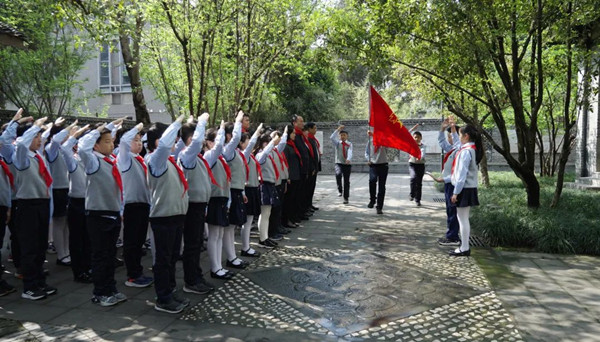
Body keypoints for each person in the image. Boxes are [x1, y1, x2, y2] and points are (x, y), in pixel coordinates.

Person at [78, 119, 127, 306]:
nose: (111, 144)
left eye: (111, 140)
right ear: (96, 145)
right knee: (100, 255)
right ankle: (100, 292)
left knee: (110, 255)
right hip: (98, 215)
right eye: (106, 141)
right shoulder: (92, 161)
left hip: (113, 213)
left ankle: (111, 288)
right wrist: (96, 130)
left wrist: (112, 128)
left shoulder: (111, 160)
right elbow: (82, 148)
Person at [145, 115, 191, 313]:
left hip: (176, 216)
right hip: (163, 217)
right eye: (169, 137)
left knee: (172, 257)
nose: (174, 141)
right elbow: (164, 145)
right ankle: (162, 297)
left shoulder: (171, 160)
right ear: (158, 141)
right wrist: (176, 124)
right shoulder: (156, 160)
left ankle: (170, 291)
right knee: (163, 260)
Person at [14, 116, 58, 301]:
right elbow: (23, 143)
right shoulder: (21, 157)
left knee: (41, 247)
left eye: (40, 136)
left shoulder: (38, 155)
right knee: (30, 248)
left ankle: (40, 281)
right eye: (36, 136)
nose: (40, 139)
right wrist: (34, 126)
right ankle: (29, 286)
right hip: (28, 205)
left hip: (41, 203)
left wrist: (42, 128)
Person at [177, 113, 216, 295]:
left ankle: (197, 275)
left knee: (197, 243)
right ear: (191, 139)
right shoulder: (187, 156)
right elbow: (198, 138)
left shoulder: (197, 157)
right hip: (192, 206)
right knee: (192, 245)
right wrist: (201, 122)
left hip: (200, 205)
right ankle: (190, 280)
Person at [117, 122, 154, 288]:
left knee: (138, 242)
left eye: (140, 140)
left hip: (143, 204)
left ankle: (138, 272)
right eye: (135, 140)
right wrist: (136, 128)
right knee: (131, 242)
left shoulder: (140, 158)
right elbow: (124, 140)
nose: (139, 143)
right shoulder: (124, 158)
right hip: (132, 205)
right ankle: (133, 275)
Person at [0, 109, 30, 296]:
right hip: (8, 201)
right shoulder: (8, 149)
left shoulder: (5, 156)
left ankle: (19, 268)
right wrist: (15, 122)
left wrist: (8, 206)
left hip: (9, 201)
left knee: (18, 235)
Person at [59, 124, 93, 283]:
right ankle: (79, 272)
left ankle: (88, 267)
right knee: (77, 240)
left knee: (88, 239)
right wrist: (75, 134)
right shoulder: (73, 160)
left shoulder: (92, 160)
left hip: (90, 202)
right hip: (77, 203)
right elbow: (65, 148)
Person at [449, 125, 483, 257]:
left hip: (463, 188)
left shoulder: (466, 152)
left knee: (462, 219)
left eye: (459, 134)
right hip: (468, 188)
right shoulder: (471, 149)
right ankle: (464, 246)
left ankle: (464, 248)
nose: (458, 137)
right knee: (463, 218)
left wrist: (456, 192)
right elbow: (457, 144)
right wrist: (453, 129)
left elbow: (461, 174)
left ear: (466, 136)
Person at [222, 111, 249, 270]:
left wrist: (243, 192)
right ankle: (231, 258)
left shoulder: (236, 152)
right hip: (231, 192)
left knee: (232, 227)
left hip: (237, 191)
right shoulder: (228, 151)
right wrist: (238, 121)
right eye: (232, 134)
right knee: (229, 227)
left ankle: (233, 256)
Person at [432, 118, 461, 246]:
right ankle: (451, 235)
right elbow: (442, 141)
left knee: (453, 210)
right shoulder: (452, 149)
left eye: (452, 136)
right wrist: (442, 129)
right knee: (450, 210)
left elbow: (456, 141)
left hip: (453, 183)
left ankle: (453, 237)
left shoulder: (460, 149)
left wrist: (453, 128)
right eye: (449, 136)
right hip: (449, 183)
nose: (450, 138)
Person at [239, 123, 263, 257]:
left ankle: (246, 246)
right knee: (246, 222)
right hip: (247, 189)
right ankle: (245, 247)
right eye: (247, 140)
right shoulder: (244, 155)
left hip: (253, 188)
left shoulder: (250, 156)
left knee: (249, 221)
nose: (250, 143)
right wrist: (257, 132)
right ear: (241, 143)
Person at [254, 131, 280, 249]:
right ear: (264, 144)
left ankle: (265, 236)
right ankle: (262, 238)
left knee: (267, 213)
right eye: (269, 143)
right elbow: (262, 155)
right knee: (264, 213)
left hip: (270, 184)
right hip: (264, 184)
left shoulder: (268, 155)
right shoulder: (261, 155)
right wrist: (272, 142)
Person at [291, 115, 312, 220]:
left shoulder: (301, 136)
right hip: (297, 171)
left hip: (303, 170)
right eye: (300, 121)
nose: (302, 123)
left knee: (301, 193)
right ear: (294, 123)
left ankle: (300, 212)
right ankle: (295, 215)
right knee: (296, 195)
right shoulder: (295, 136)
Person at [282, 125, 302, 228]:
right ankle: (287, 220)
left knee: (293, 199)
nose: (295, 135)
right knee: (289, 200)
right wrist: (287, 176)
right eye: (293, 133)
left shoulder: (292, 145)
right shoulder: (285, 146)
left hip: (296, 175)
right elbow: (285, 162)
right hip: (290, 177)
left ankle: (292, 218)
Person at [365, 129, 388, 214]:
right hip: (373, 165)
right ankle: (372, 199)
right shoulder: (370, 141)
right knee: (372, 181)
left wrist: (374, 135)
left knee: (382, 186)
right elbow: (366, 152)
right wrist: (368, 159)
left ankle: (379, 207)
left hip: (383, 165)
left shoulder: (385, 141)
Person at [331, 125, 352, 204]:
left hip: (347, 164)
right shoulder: (337, 143)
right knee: (338, 174)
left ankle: (346, 198)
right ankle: (340, 189)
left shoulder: (349, 144)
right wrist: (337, 130)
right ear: (339, 136)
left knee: (347, 181)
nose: (343, 136)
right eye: (341, 135)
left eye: (344, 135)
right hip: (339, 163)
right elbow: (332, 137)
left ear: (347, 136)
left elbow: (350, 152)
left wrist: (348, 159)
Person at [408, 124, 426, 206]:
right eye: (415, 137)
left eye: (418, 137)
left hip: (420, 165)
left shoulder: (423, 146)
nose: (416, 139)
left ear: (421, 138)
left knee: (419, 182)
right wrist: (413, 128)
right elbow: (406, 135)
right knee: (413, 178)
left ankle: (417, 199)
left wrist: (420, 157)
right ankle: (412, 194)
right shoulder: (411, 144)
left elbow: (423, 153)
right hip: (412, 164)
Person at [305, 122, 320, 212]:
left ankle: (310, 204)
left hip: (315, 167)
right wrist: (313, 167)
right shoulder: (308, 140)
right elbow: (310, 156)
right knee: (309, 188)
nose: (315, 130)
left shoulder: (313, 139)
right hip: (311, 168)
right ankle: (307, 205)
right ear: (309, 129)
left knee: (312, 187)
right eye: (314, 128)